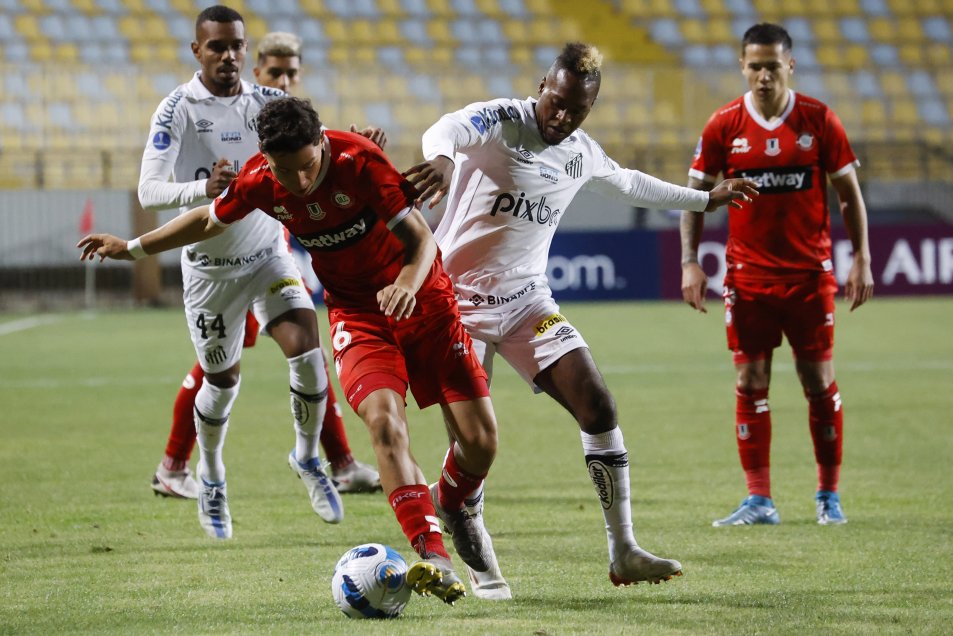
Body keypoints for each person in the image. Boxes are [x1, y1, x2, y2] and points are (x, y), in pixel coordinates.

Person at [80, 96, 502, 606]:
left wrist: (407, 285)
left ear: (322, 142)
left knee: (480, 442)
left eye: (307, 166)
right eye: (285, 170)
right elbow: (209, 221)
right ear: (265, 157)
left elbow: (421, 242)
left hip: (423, 300)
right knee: (384, 424)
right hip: (358, 315)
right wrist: (131, 248)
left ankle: (451, 501)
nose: (299, 182)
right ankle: (433, 555)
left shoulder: (361, 162)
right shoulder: (260, 179)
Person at [403, 41, 757, 597]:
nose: (563, 117)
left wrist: (705, 199)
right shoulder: (502, 120)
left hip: (527, 302)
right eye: (558, 102)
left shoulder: (581, 153)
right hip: (453, 304)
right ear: (542, 87)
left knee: (598, 404)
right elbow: (445, 128)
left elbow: (632, 183)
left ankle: (624, 550)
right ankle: (474, 544)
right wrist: (445, 161)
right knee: (473, 445)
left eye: (578, 110)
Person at [146, 14, 381, 510]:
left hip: (268, 254)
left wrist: (358, 152)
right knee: (219, 374)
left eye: (292, 73)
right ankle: (176, 466)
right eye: (277, 72)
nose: (286, 82)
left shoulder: (275, 111)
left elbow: (325, 151)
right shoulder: (178, 108)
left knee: (306, 349)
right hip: (214, 267)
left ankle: (335, 462)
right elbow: (149, 190)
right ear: (198, 50)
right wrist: (201, 189)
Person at [679, 23, 874, 527]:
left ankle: (828, 496)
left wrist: (862, 257)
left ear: (790, 65)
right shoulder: (724, 125)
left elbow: (849, 195)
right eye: (755, 66)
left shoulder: (818, 119)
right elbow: (694, 198)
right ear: (743, 67)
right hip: (747, 280)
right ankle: (759, 500)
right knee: (750, 381)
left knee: (819, 381)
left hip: (809, 277)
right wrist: (689, 261)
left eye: (772, 66)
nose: (763, 75)